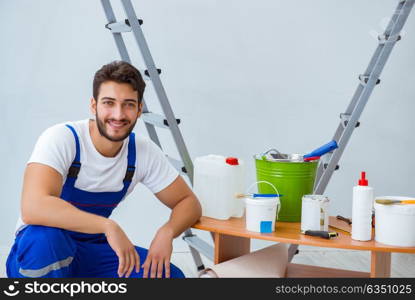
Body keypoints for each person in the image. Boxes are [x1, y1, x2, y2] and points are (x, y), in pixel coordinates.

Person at [6, 61, 202, 278]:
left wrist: (167, 232)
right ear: (94, 105)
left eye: (128, 104)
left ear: (139, 110)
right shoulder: (63, 138)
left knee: (169, 277)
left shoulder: (142, 152)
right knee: (47, 239)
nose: (118, 115)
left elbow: (188, 202)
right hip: (41, 251)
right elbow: (34, 207)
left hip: (91, 251)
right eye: (109, 103)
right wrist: (108, 226)